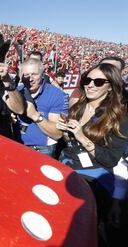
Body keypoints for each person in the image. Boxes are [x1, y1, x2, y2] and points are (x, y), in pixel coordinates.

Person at [57, 63, 128, 246]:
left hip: (94, 183)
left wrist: (81, 136)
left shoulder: (120, 116)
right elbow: (71, 144)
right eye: (87, 80)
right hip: (66, 171)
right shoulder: (79, 106)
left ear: (110, 86)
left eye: (98, 82)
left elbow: (111, 159)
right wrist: (65, 132)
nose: (90, 85)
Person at [14, 58, 68, 157]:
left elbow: (57, 133)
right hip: (16, 144)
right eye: (26, 75)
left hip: (41, 149)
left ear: (42, 74)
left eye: (34, 74)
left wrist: (35, 116)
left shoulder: (57, 95)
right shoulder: (17, 91)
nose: (30, 78)